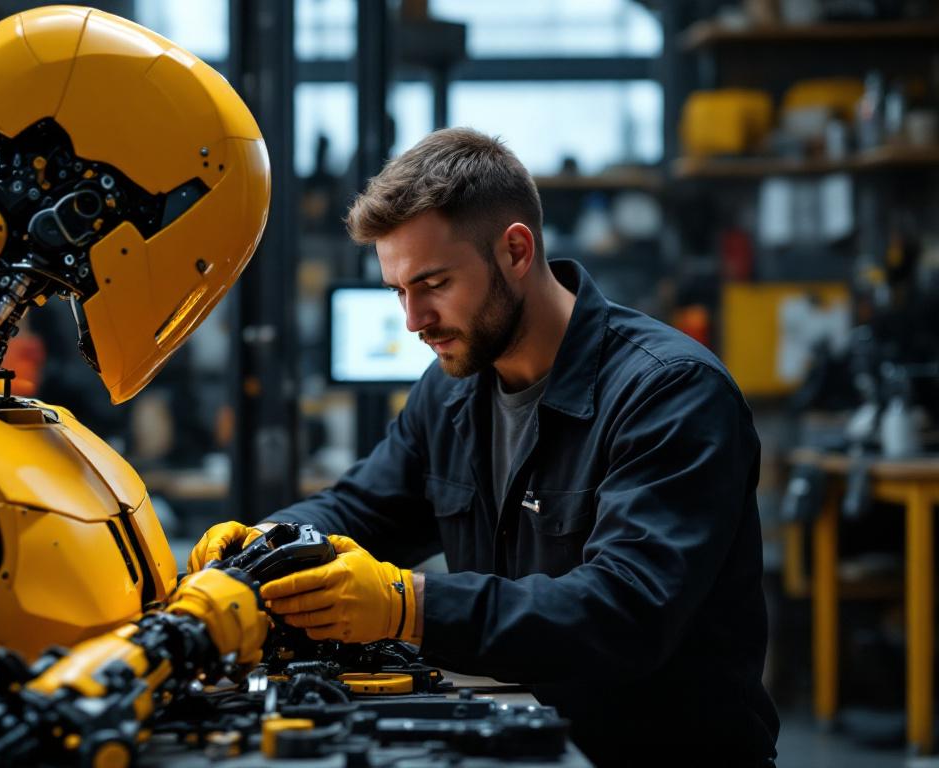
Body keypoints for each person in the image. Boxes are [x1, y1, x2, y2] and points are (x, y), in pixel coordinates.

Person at [188, 128, 779, 766]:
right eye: (399, 291)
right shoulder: (452, 393)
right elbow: (362, 508)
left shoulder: (669, 393)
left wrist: (406, 605)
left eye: (434, 283)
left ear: (517, 251)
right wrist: (267, 542)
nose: (413, 320)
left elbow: (624, 610)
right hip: (526, 742)